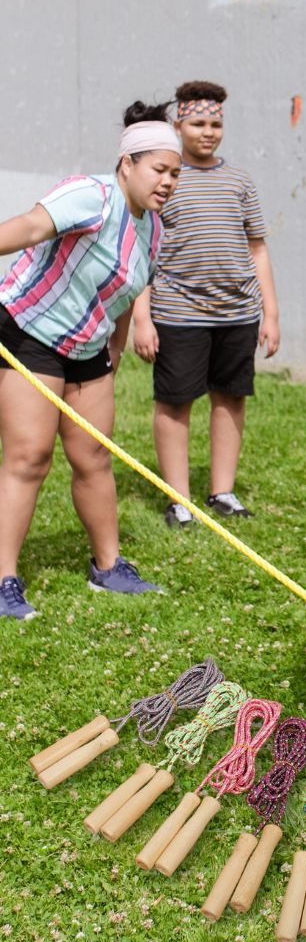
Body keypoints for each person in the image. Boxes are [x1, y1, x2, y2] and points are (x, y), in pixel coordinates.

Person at [0, 101, 181, 619]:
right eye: (158, 170)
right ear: (128, 164)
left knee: (94, 458)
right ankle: (3, 579)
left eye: (174, 174)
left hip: (89, 349)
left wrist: (115, 351)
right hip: (29, 333)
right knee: (29, 457)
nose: (167, 182)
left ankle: (109, 567)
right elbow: (33, 227)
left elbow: (125, 295)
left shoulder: (155, 230)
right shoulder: (92, 195)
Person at [132, 80, 280, 527]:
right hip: (178, 314)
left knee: (231, 398)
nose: (208, 131)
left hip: (237, 314)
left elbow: (257, 248)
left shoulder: (239, 181)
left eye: (216, 123)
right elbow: (142, 249)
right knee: (175, 403)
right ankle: (179, 499)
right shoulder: (164, 181)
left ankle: (222, 492)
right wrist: (142, 317)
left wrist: (270, 312)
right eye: (198, 122)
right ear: (177, 125)